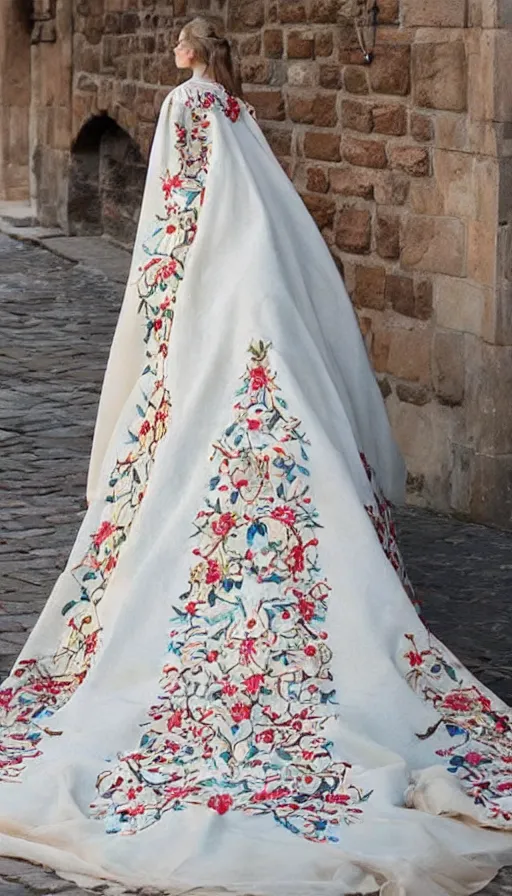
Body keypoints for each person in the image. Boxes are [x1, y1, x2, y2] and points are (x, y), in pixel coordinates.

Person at [0, 16, 510, 896]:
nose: (172, 58)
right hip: (260, 296)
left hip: (213, 294)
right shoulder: (237, 113)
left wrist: (157, 346)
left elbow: (171, 219)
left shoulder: (185, 110)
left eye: (178, 47)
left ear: (187, 53)